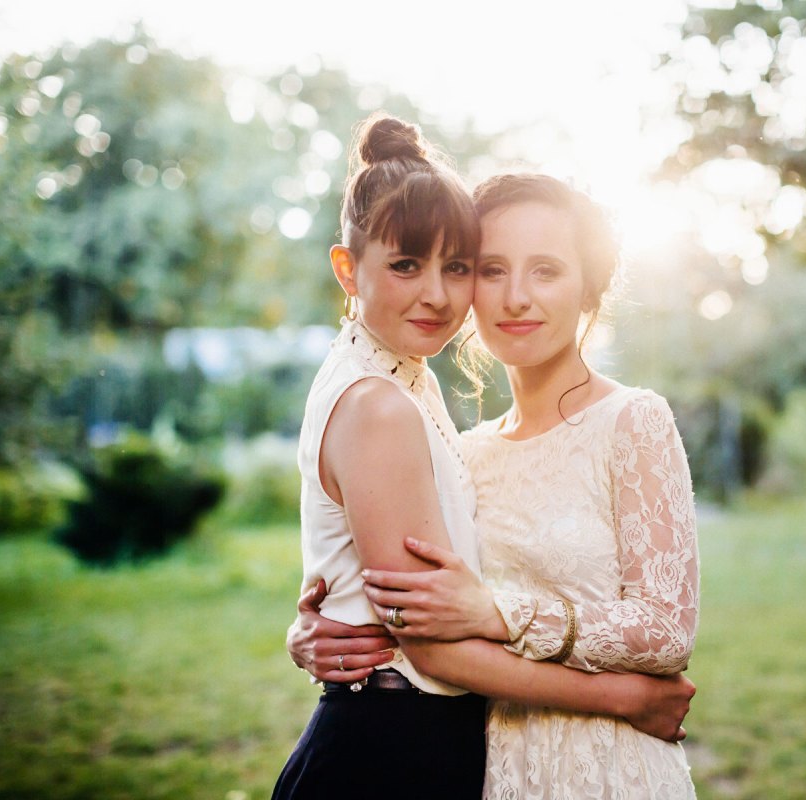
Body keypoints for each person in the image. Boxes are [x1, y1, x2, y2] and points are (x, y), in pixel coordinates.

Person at [273, 116, 693, 800]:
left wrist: (491, 614)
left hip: (595, 768)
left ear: (589, 288)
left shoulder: (628, 420)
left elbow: (665, 630)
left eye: (547, 271)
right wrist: (325, 629)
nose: (513, 296)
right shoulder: (453, 441)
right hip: (471, 758)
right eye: (491, 269)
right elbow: (423, 631)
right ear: (348, 270)